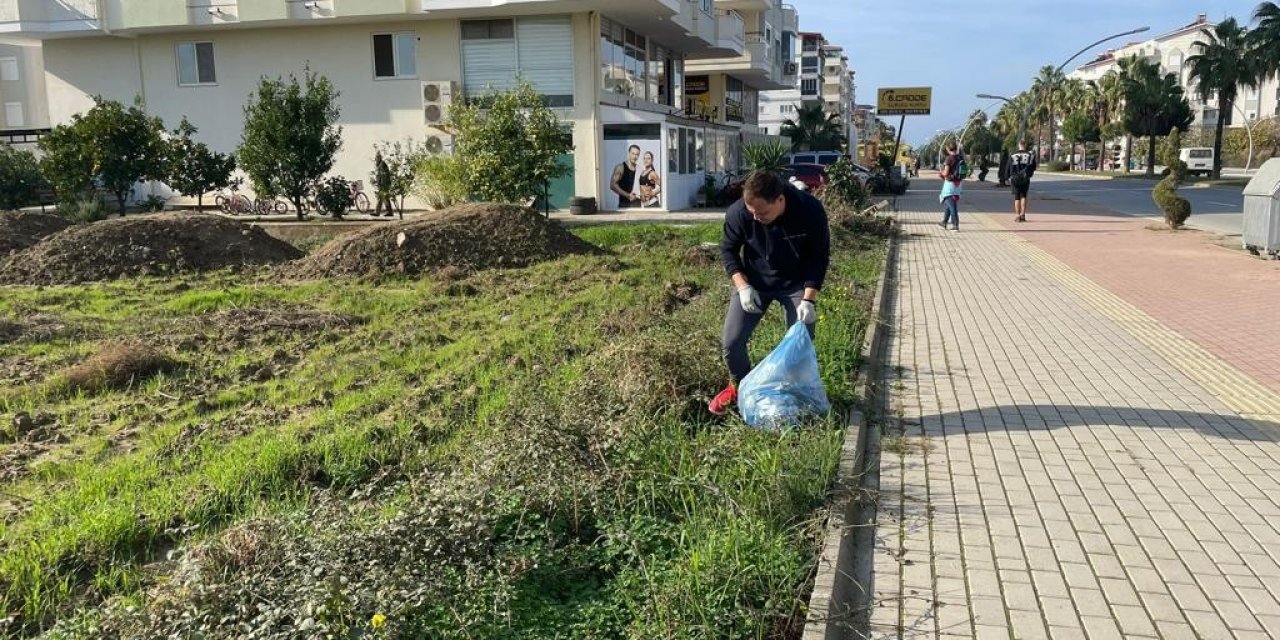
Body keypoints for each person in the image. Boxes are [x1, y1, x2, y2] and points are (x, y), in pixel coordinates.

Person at [709, 171, 831, 416]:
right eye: (751, 211)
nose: (755, 217)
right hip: (755, 282)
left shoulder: (809, 210)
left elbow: (818, 257)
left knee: (800, 339)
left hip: (796, 283)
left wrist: (808, 299)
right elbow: (728, 251)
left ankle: (791, 393)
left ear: (780, 200)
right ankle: (740, 387)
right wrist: (742, 286)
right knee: (731, 344)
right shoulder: (740, 213)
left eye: (762, 212)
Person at [1008, 141, 1037, 222]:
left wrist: (1007, 177)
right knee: (1024, 196)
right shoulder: (1030, 155)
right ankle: (1023, 215)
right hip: (1025, 178)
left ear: (1019, 145)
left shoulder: (1012, 155)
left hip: (1015, 178)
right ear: (1025, 145)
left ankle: (1017, 216)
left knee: (1017, 197)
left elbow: (1008, 167)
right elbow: (1034, 167)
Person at [938, 142, 963, 231]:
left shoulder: (949, 159)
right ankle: (944, 222)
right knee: (949, 204)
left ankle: (955, 225)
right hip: (958, 184)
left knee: (952, 205)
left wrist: (941, 173)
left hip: (950, 184)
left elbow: (946, 172)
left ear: (948, 149)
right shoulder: (960, 157)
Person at [609, 144, 642, 209]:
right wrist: (628, 195)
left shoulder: (639, 169)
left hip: (638, 203)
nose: (635, 156)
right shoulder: (621, 167)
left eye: (637, 154)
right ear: (629, 153)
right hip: (624, 204)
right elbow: (612, 185)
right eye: (633, 153)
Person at [373, 151, 394, 217]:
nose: (375, 159)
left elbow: (383, 175)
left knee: (381, 198)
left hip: (383, 185)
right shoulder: (381, 164)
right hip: (384, 185)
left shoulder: (382, 164)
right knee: (385, 198)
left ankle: (377, 212)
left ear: (379, 158)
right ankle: (389, 212)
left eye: (376, 157)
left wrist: (381, 184)